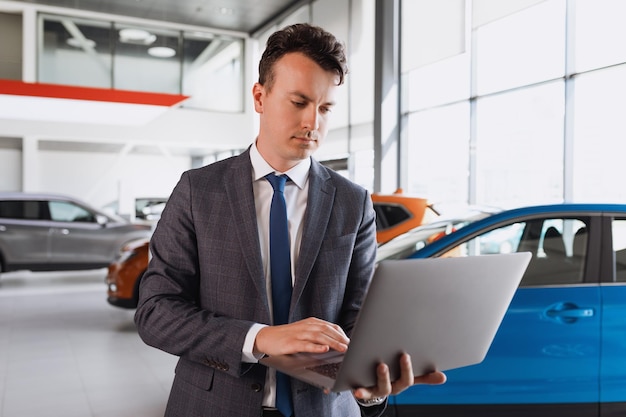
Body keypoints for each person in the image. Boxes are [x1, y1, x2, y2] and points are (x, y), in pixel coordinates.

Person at [134, 22, 445, 417]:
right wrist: (260, 337)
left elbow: (358, 318)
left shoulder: (353, 202)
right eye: (299, 102)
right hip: (214, 404)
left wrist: (370, 385)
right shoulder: (199, 190)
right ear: (260, 97)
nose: (313, 123)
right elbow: (156, 311)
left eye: (326, 107)